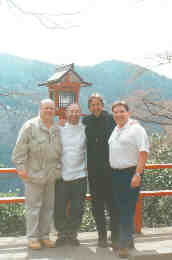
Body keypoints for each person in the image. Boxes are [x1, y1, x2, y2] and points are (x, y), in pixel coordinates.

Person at [12, 99, 62, 250]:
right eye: (46, 108)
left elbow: (60, 152)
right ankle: (33, 238)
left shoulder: (56, 128)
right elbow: (18, 152)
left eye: (51, 108)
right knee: (33, 208)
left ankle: (45, 236)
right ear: (40, 109)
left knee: (48, 207)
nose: (49, 111)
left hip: (51, 176)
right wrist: (21, 170)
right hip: (33, 175)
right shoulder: (30, 126)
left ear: (54, 111)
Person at [108, 101, 149, 258]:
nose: (118, 114)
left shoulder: (136, 129)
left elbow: (143, 152)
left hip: (131, 174)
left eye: (122, 111)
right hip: (116, 174)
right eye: (116, 112)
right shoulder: (116, 129)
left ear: (128, 112)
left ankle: (124, 245)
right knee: (119, 208)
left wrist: (137, 174)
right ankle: (127, 240)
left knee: (127, 209)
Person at [82, 93, 120, 248]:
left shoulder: (111, 119)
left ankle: (115, 235)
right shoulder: (86, 121)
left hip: (110, 169)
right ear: (89, 107)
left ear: (102, 105)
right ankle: (102, 236)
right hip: (93, 171)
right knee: (97, 205)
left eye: (98, 104)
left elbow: (125, 125)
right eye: (92, 105)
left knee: (113, 204)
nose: (95, 107)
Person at [54, 103, 87, 246]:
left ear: (80, 114)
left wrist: (131, 122)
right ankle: (61, 234)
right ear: (66, 113)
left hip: (80, 174)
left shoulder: (86, 129)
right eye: (71, 111)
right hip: (61, 175)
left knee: (77, 207)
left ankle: (72, 233)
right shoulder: (59, 130)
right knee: (59, 206)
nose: (74, 114)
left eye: (77, 111)